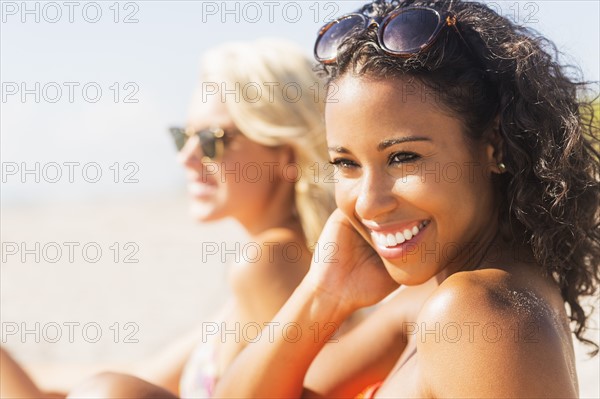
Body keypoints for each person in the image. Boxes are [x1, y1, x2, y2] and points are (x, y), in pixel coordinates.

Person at [212, 1, 600, 397]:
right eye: (346, 164)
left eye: (402, 157)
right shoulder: (432, 299)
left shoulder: (475, 311)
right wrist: (324, 293)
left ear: (493, 147)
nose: (367, 203)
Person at [0, 38, 336, 399]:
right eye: (184, 136)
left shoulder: (269, 263)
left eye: (212, 140)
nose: (187, 158)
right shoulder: (281, 260)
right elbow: (146, 375)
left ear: (285, 155)